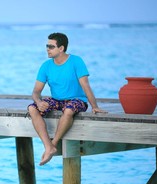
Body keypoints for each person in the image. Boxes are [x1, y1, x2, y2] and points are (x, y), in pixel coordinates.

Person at [28, 32, 107, 166]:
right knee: (32, 108)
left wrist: (94, 106)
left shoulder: (76, 61)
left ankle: (54, 144)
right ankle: (48, 146)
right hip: (56, 100)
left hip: (77, 100)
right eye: (47, 46)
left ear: (61, 48)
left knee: (69, 110)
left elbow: (86, 86)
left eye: (51, 46)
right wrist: (39, 102)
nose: (47, 49)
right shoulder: (46, 66)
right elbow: (36, 91)